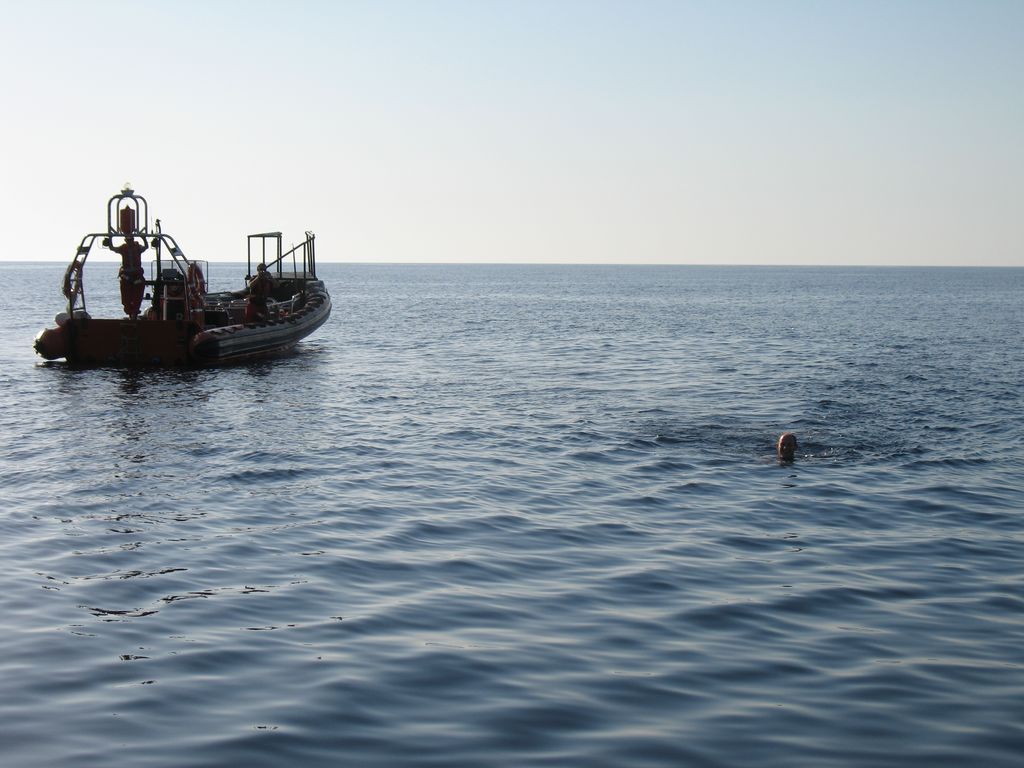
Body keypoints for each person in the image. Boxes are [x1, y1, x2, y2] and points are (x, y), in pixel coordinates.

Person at [111, 236, 148, 319]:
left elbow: (146, 247)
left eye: (131, 240)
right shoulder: (122, 248)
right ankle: (130, 311)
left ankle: (134, 312)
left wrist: (144, 238)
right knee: (126, 296)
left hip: (137, 276)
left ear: (133, 240)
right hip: (126, 276)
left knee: (137, 295)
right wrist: (109, 239)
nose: (129, 242)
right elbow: (112, 248)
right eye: (128, 240)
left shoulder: (138, 247)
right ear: (125, 240)